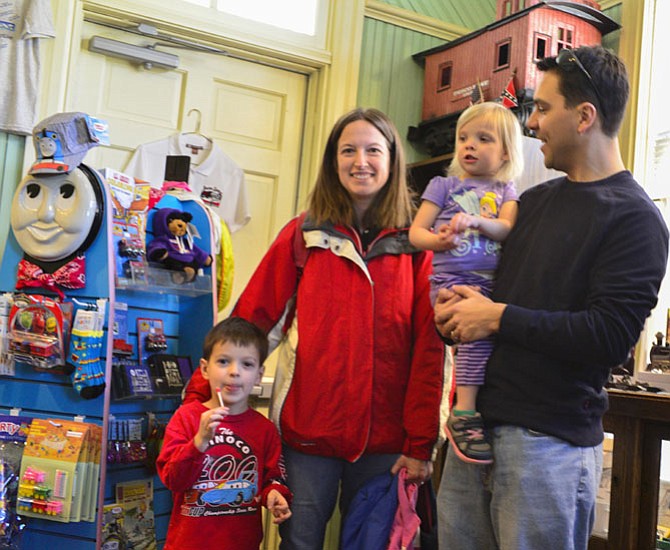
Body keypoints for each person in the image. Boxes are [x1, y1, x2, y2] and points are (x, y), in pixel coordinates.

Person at [434, 45, 669, 550]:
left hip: (548, 449)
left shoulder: (635, 220)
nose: (532, 123)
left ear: (584, 117)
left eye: (542, 109)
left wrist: (494, 317)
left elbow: (607, 338)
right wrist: (453, 312)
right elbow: (488, 297)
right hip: (471, 435)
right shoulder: (531, 203)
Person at [184, 107, 447, 549]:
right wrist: (199, 396)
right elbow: (251, 323)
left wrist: (421, 444)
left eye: (372, 150)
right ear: (333, 161)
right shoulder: (303, 235)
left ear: (392, 160)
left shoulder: (419, 245)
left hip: (388, 443)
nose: (360, 161)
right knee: (299, 544)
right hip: (308, 436)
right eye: (348, 150)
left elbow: (431, 352)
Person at [409, 102, 522, 465]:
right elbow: (415, 233)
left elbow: (505, 228)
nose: (468, 145)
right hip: (449, 279)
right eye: (463, 138)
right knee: (473, 339)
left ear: (505, 152)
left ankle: (467, 408)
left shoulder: (508, 191)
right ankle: (463, 412)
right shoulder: (443, 185)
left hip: (489, 283)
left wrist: (475, 221)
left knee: (486, 344)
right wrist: (438, 241)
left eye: (482, 139)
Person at [157, 317, 292, 550]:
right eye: (223, 361)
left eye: (246, 364)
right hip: (189, 544)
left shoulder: (264, 429)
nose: (234, 372)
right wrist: (199, 442)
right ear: (205, 369)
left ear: (259, 375)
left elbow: (273, 478)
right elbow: (172, 480)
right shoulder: (186, 418)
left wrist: (275, 494)